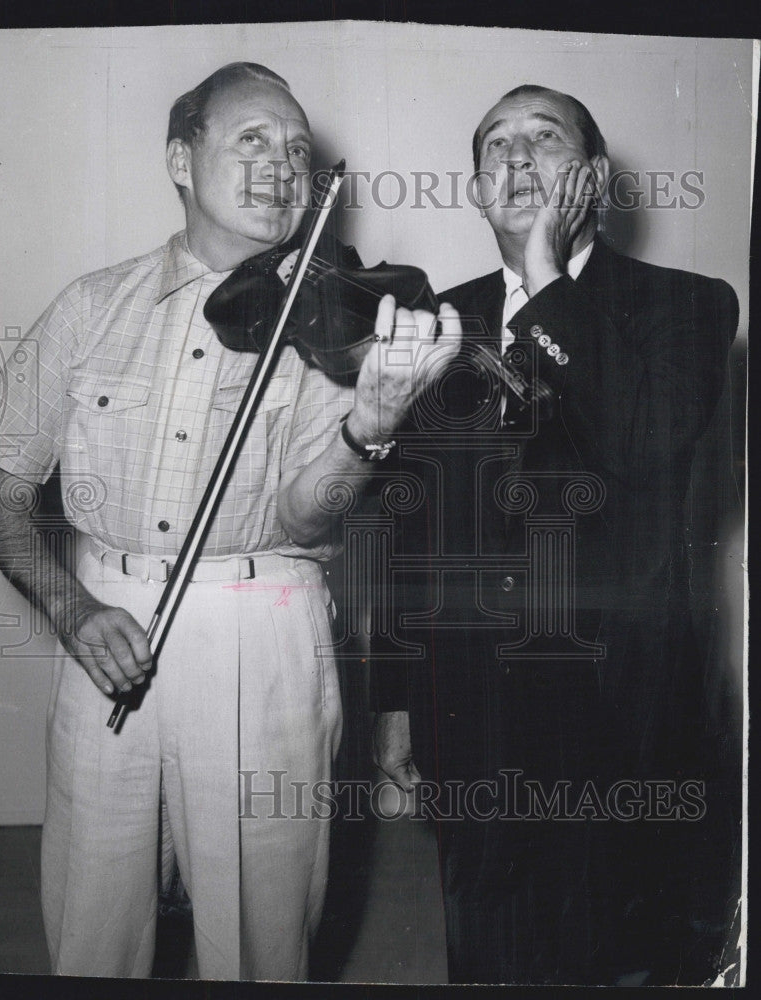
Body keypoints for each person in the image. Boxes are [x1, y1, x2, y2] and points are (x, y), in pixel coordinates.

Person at [0, 61, 460, 980]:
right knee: (92, 919)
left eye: (298, 151)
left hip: (265, 625)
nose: (283, 165)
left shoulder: (328, 327)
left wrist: (370, 428)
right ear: (180, 160)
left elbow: (306, 522)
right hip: (105, 622)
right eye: (252, 139)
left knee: (261, 930)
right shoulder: (89, 306)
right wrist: (72, 612)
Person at [371, 85, 739, 985]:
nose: (518, 158)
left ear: (596, 179)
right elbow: (407, 529)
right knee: (487, 954)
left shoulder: (690, 303)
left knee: (615, 960)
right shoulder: (438, 322)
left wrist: (542, 280)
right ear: (475, 187)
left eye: (545, 139)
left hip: (622, 717)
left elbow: (644, 444)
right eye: (496, 145)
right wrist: (395, 703)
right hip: (471, 711)